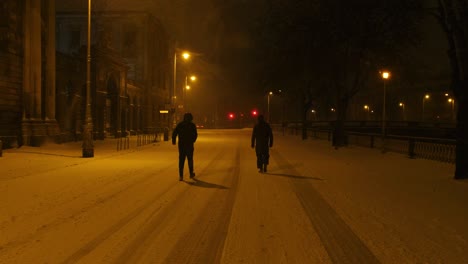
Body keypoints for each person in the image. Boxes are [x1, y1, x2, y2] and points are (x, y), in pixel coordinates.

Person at [172, 113, 198, 181]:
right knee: (190, 159)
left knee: (181, 160)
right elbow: (195, 134)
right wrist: (193, 140)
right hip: (189, 144)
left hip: (181, 145)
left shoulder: (180, 124)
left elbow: (175, 132)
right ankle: (191, 173)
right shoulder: (192, 125)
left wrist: (174, 140)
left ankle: (181, 175)